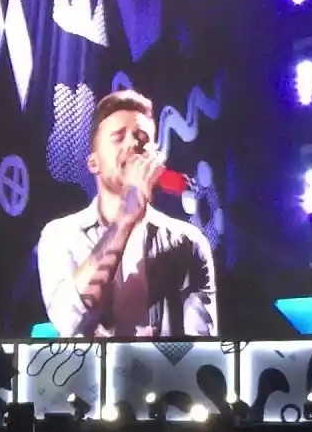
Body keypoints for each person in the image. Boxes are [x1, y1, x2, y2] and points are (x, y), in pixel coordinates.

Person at [36, 89, 218, 338]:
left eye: (142, 138)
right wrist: (125, 218)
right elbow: (68, 321)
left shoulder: (189, 242)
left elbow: (201, 345)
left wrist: (156, 352)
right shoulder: (60, 235)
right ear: (94, 163)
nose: (133, 144)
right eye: (118, 137)